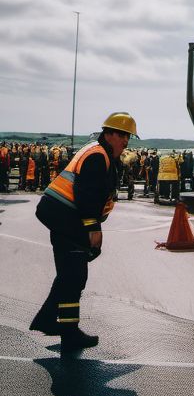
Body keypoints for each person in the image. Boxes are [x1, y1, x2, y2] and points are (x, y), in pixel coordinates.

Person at [30, 112, 138, 352]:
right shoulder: (98, 156)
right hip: (66, 216)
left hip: (62, 215)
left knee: (70, 274)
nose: (126, 141)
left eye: (128, 137)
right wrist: (93, 229)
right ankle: (67, 332)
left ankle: (49, 319)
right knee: (75, 275)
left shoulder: (101, 153)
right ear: (109, 134)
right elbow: (86, 194)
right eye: (122, 135)